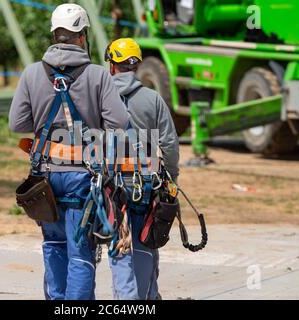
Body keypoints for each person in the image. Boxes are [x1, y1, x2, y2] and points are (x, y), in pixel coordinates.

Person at [9, 4, 129, 300]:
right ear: (82, 36)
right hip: (82, 176)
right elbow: (119, 122)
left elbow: (18, 123)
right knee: (80, 250)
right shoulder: (98, 76)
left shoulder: (33, 73)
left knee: (53, 245)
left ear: (54, 35)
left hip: (45, 177)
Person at [105, 38, 180, 300]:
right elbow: (169, 142)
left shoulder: (98, 98)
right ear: (136, 66)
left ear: (112, 65)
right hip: (146, 184)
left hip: (112, 186)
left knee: (121, 246)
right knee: (147, 240)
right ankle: (147, 297)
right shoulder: (152, 99)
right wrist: (172, 178)